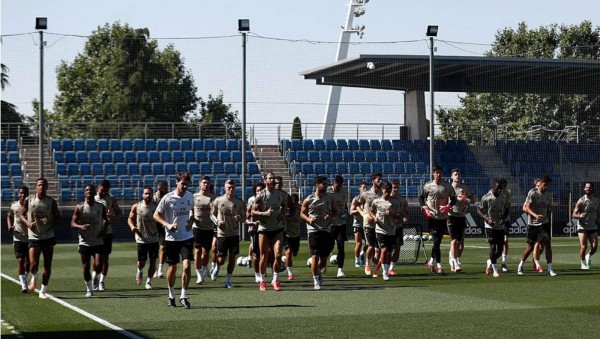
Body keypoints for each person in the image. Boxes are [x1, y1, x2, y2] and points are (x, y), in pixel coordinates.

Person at [153, 171, 195, 308]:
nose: (184, 187)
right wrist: (167, 225)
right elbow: (156, 215)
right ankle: (171, 295)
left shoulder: (190, 196)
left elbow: (192, 210)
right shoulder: (168, 198)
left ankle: (183, 295)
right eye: (182, 184)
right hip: (171, 238)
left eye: (187, 184)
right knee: (172, 267)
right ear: (176, 182)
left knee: (187, 265)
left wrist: (191, 220)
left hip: (187, 236)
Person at [20, 178, 60, 299]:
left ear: (47, 187)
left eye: (44, 185)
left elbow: (58, 219)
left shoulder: (51, 202)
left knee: (47, 265)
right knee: (33, 264)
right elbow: (21, 215)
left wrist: (50, 221)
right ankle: (35, 275)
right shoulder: (29, 200)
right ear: (35, 187)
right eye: (39, 185)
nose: (41, 187)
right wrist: (27, 223)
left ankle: (42, 291)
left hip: (48, 236)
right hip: (34, 236)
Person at [252, 172, 288, 291]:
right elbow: (253, 212)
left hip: (277, 228)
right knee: (264, 256)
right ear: (265, 180)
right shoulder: (261, 195)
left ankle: (275, 279)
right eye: (270, 178)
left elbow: (285, 207)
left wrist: (283, 215)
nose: (272, 181)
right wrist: (264, 214)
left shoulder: (280, 195)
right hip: (264, 229)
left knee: (278, 254)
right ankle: (262, 280)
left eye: (273, 178)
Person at [71, 185, 108, 297]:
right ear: (84, 193)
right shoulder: (80, 207)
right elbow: (72, 223)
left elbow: (106, 219)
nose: (89, 192)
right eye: (86, 190)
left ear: (94, 193)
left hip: (97, 239)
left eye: (91, 190)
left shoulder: (100, 206)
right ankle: (89, 289)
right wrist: (80, 226)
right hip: (84, 241)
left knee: (99, 264)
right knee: (86, 266)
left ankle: (96, 276)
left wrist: (104, 231)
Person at [419, 166, 457, 275]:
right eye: (436, 173)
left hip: (443, 216)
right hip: (432, 216)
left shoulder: (447, 186)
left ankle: (431, 262)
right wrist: (424, 208)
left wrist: (448, 206)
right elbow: (421, 198)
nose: (438, 175)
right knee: (436, 241)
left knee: (438, 241)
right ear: (433, 174)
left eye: (440, 172)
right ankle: (439, 265)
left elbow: (453, 199)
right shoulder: (428, 186)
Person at [517, 175, 556, 276]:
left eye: (548, 185)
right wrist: (535, 215)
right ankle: (521, 264)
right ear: (540, 183)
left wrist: (551, 209)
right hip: (533, 223)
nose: (546, 187)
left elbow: (550, 207)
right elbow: (526, 208)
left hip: (544, 223)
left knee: (547, 244)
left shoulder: (549, 195)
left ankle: (549, 269)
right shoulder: (533, 192)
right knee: (530, 246)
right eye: (545, 185)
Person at [300, 176, 334, 290]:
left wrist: (330, 215)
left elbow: (334, 211)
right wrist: (309, 219)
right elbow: (302, 214)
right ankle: (315, 281)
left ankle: (318, 272)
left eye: (326, 184)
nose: (326, 186)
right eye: (323, 184)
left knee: (323, 258)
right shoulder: (309, 199)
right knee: (314, 256)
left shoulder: (329, 198)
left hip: (326, 229)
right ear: (317, 185)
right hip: (313, 230)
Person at [210, 180, 246, 288]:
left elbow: (244, 218)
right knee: (221, 259)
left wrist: (240, 218)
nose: (231, 189)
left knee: (232, 257)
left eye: (232, 187)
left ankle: (228, 280)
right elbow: (212, 215)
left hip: (234, 233)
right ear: (225, 188)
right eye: (229, 187)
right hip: (222, 234)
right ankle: (217, 266)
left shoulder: (239, 202)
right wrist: (217, 222)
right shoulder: (218, 200)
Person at [370, 182, 403, 281]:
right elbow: (371, 210)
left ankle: (387, 269)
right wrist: (374, 217)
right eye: (385, 190)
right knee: (383, 250)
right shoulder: (376, 201)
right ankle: (384, 273)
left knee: (388, 252)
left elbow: (400, 216)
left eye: (389, 191)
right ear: (382, 190)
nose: (387, 192)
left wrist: (392, 214)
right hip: (380, 230)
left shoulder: (395, 202)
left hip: (392, 230)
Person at [128, 187, 160, 289]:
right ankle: (139, 271)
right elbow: (130, 218)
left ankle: (149, 281)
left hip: (154, 238)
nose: (148, 195)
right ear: (142, 195)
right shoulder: (136, 206)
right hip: (141, 238)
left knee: (153, 261)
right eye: (146, 193)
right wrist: (132, 227)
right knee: (141, 262)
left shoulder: (156, 207)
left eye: (150, 194)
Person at [477, 179, 509, 278]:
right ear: (493, 187)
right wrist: (486, 219)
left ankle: (489, 262)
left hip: (500, 225)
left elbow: (508, 209)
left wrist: (503, 219)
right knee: (492, 246)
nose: (500, 190)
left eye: (501, 189)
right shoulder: (486, 197)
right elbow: (479, 210)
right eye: (498, 188)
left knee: (500, 249)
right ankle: (495, 270)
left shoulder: (503, 197)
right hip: (489, 225)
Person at [352, 173, 383, 276]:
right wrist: (364, 214)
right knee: (370, 246)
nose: (380, 181)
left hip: (379, 224)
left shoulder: (382, 194)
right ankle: (367, 264)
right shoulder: (366, 194)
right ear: (373, 181)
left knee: (378, 250)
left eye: (381, 180)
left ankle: (375, 269)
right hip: (368, 224)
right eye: (378, 180)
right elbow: (356, 205)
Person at [95, 179, 123, 291]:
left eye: (106, 191)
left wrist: (113, 218)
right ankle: (95, 278)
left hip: (107, 232)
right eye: (102, 190)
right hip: (94, 232)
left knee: (105, 258)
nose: (104, 193)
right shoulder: (92, 199)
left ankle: (102, 281)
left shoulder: (111, 199)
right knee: (97, 258)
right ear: (98, 188)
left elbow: (119, 213)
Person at [447, 168, 475, 273]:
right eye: (455, 174)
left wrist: (465, 199)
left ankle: (455, 258)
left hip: (462, 216)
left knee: (461, 243)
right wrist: (447, 207)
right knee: (454, 241)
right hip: (452, 216)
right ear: (451, 176)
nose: (457, 176)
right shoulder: (449, 188)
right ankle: (454, 262)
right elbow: (444, 200)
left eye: (458, 174)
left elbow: (473, 200)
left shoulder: (465, 188)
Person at [191, 176, 216, 284]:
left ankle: (205, 266)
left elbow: (215, 213)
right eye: (204, 182)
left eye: (207, 183)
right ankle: (199, 275)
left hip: (209, 228)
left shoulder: (214, 198)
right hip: (197, 227)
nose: (206, 184)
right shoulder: (194, 197)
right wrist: (191, 218)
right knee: (197, 250)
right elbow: (191, 210)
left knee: (206, 252)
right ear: (200, 184)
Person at [7, 186, 30, 293]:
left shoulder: (32, 205)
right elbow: (9, 216)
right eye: (21, 193)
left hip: (31, 237)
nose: (23, 195)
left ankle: (25, 278)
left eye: (25, 193)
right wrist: (9, 225)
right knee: (20, 260)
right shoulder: (14, 206)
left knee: (29, 263)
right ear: (18, 194)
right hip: (18, 237)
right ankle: (24, 285)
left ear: (28, 194)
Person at [572, 182, 599, 269]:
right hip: (582, 226)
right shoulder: (581, 201)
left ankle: (588, 256)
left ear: (592, 189)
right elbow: (573, 215)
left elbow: (598, 213)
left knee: (594, 247)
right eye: (586, 187)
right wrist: (579, 216)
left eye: (590, 187)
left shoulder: (596, 201)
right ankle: (583, 263)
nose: (588, 189)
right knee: (584, 246)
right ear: (584, 189)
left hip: (593, 226)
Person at [327, 175, 349, 278]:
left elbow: (345, 206)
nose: (338, 187)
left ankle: (340, 269)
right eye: (337, 185)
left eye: (340, 185)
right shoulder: (327, 192)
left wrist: (345, 213)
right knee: (329, 246)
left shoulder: (345, 192)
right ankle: (322, 264)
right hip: (330, 224)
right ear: (333, 183)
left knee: (341, 245)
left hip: (341, 223)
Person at [388, 180, 409, 276]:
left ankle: (391, 268)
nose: (396, 189)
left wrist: (406, 218)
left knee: (398, 247)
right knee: (386, 249)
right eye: (394, 187)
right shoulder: (386, 199)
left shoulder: (402, 200)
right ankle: (384, 266)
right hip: (387, 227)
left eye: (397, 187)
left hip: (398, 226)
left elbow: (406, 211)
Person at [246, 182, 265, 282]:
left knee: (267, 252)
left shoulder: (267, 199)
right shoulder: (251, 200)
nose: (260, 192)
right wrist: (252, 222)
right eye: (258, 191)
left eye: (261, 190)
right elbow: (247, 216)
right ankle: (257, 273)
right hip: (255, 229)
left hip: (266, 228)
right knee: (256, 252)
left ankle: (263, 271)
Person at [349, 182, 368, 268]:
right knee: (359, 243)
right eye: (363, 187)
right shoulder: (356, 199)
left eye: (366, 187)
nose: (365, 189)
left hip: (367, 224)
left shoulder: (368, 199)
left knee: (369, 244)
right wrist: (359, 210)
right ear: (359, 189)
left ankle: (362, 253)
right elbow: (351, 212)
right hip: (358, 224)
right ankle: (357, 260)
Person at [153, 181, 169, 278]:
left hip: (163, 224)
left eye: (165, 187)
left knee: (163, 247)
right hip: (153, 226)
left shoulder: (168, 197)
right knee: (154, 248)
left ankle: (160, 269)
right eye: (162, 187)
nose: (164, 189)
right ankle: (154, 269)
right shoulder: (153, 198)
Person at [284, 193, 301, 280]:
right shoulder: (286, 209)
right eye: (292, 202)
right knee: (289, 252)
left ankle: (285, 259)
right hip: (287, 234)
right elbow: (280, 217)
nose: (294, 203)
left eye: (295, 202)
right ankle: (290, 273)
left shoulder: (300, 208)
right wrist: (286, 216)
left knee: (295, 253)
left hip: (297, 234)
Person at [499, 178, 512, 272]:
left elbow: (509, 206)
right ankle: (492, 261)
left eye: (504, 186)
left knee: (505, 240)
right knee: (496, 243)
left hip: (505, 220)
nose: (503, 188)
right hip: (496, 220)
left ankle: (504, 261)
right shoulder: (493, 192)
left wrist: (504, 218)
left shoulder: (508, 193)